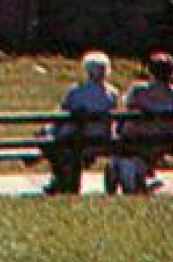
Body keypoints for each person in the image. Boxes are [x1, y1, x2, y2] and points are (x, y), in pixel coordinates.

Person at [107, 52, 173, 196]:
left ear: (150, 71)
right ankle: (143, 174)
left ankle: (124, 173)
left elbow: (126, 111)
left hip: (134, 139)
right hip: (164, 140)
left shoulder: (138, 90)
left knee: (121, 134)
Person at [43, 51, 118, 195]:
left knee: (55, 140)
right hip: (103, 137)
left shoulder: (76, 91)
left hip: (78, 137)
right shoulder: (112, 94)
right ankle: (60, 177)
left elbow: (62, 113)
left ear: (87, 70)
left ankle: (58, 178)